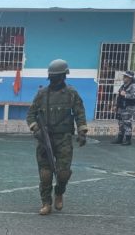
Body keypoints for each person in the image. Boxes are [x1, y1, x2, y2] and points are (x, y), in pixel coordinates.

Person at [26, 59, 88, 215]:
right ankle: (46, 203)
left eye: (57, 77)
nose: (54, 80)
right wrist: (36, 129)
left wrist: (82, 132)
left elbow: (79, 113)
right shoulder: (42, 94)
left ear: (63, 76)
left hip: (64, 138)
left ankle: (59, 192)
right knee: (45, 174)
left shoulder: (71, 93)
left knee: (63, 173)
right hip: (45, 139)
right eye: (52, 77)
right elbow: (31, 114)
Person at [113, 70, 135, 146]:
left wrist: (125, 95)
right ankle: (120, 139)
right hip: (121, 107)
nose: (124, 77)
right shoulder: (123, 85)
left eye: (125, 76)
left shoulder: (133, 86)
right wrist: (116, 106)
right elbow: (119, 95)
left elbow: (134, 96)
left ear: (130, 78)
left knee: (127, 123)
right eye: (124, 76)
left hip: (128, 108)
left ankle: (128, 140)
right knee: (121, 123)